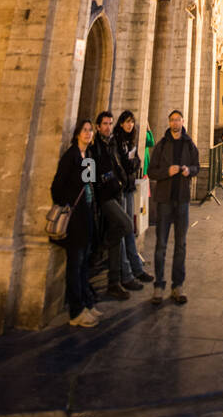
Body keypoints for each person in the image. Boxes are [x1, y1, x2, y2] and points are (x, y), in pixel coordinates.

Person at [50, 117, 102, 327]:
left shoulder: (88, 156)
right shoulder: (71, 157)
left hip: (87, 215)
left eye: (90, 131)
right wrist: (68, 204)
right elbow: (56, 187)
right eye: (85, 130)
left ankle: (87, 303)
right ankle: (76, 311)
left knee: (83, 264)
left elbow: (90, 185)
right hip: (74, 219)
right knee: (75, 264)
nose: (88, 133)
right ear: (77, 134)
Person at [147, 109, 201, 304]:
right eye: (172, 120)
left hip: (182, 200)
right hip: (164, 201)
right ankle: (159, 286)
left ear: (182, 122)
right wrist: (166, 172)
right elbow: (151, 171)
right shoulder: (161, 146)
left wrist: (189, 171)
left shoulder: (189, 145)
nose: (175, 123)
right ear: (169, 123)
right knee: (161, 244)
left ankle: (178, 285)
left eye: (178, 120)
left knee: (181, 245)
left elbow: (197, 166)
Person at [92, 111, 135, 299]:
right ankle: (101, 247)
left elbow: (119, 165)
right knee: (126, 225)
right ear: (98, 126)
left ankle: (114, 282)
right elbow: (89, 177)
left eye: (110, 123)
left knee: (118, 235)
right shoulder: (94, 147)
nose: (108, 126)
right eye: (104, 124)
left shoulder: (112, 144)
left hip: (116, 192)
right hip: (104, 197)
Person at [113, 110, 154, 289]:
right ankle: (125, 273)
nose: (130, 125)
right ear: (121, 123)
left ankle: (136, 269)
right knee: (124, 229)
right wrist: (129, 167)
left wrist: (132, 164)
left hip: (129, 188)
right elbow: (121, 166)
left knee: (130, 229)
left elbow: (135, 161)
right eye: (127, 122)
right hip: (119, 191)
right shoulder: (116, 142)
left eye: (132, 122)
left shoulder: (130, 141)